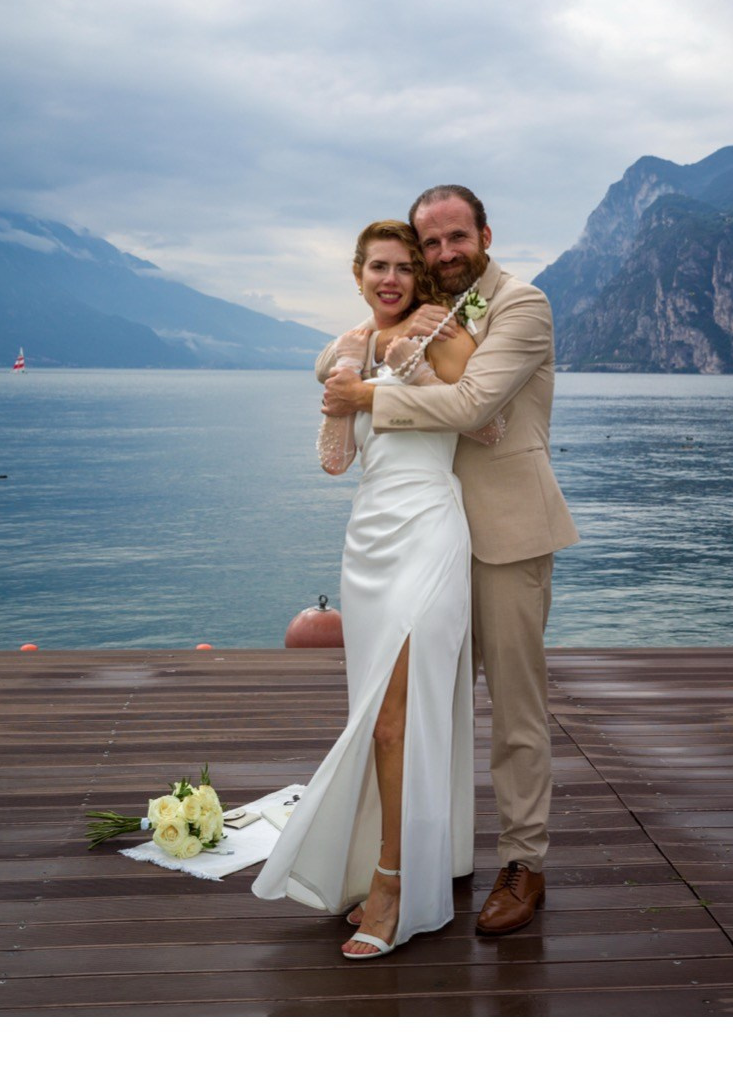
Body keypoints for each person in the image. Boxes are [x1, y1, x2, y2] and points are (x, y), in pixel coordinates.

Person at [321, 185, 578, 935]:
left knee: (515, 712)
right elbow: (347, 346)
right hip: (427, 536)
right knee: (419, 709)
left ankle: (524, 863)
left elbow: (473, 407)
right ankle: (432, 856)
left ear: (485, 234)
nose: (442, 255)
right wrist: (346, 358)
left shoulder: (523, 305)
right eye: (429, 244)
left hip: (505, 533)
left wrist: (364, 393)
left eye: (454, 238)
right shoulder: (434, 307)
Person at [245, 219, 483, 959]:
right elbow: (334, 463)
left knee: (394, 724)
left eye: (404, 267)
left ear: (420, 276)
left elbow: (485, 412)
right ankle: (393, 859)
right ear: (357, 274)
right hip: (369, 541)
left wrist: (376, 361)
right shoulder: (352, 346)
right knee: (377, 716)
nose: (391, 279)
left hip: (431, 533)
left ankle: (392, 882)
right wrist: (343, 376)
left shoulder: (440, 330)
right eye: (377, 267)